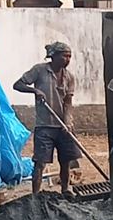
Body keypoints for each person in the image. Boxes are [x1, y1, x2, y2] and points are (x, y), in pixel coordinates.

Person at [13, 41, 81, 196]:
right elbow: (17, 85)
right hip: (44, 126)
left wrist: (68, 121)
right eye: (64, 56)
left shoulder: (69, 77)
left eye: (70, 56)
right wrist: (35, 90)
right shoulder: (39, 70)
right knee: (40, 162)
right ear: (53, 56)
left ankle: (65, 190)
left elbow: (68, 102)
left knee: (66, 161)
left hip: (62, 126)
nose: (67, 59)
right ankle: (35, 195)